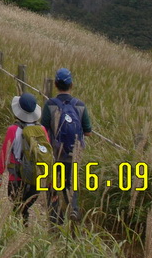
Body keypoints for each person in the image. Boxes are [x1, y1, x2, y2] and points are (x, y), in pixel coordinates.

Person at [41, 68, 92, 225]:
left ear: (56, 85)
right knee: (71, 182)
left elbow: (43, 130)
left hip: (55, 153)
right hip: (73, 153)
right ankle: (74, 209)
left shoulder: (50, 104)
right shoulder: (80, 105)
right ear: (72, 85)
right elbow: (88, 132)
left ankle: (54, 218)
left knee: (53, 183)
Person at [0, 92, 51, 224]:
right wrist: (50, 181)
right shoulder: (42, 130)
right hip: (35, 179)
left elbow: (4, 155)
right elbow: (47, 156)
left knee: (16, 207)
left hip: (16, 179)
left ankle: (15, 229)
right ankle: (24, 226)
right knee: (24, 207)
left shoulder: (13, 130)